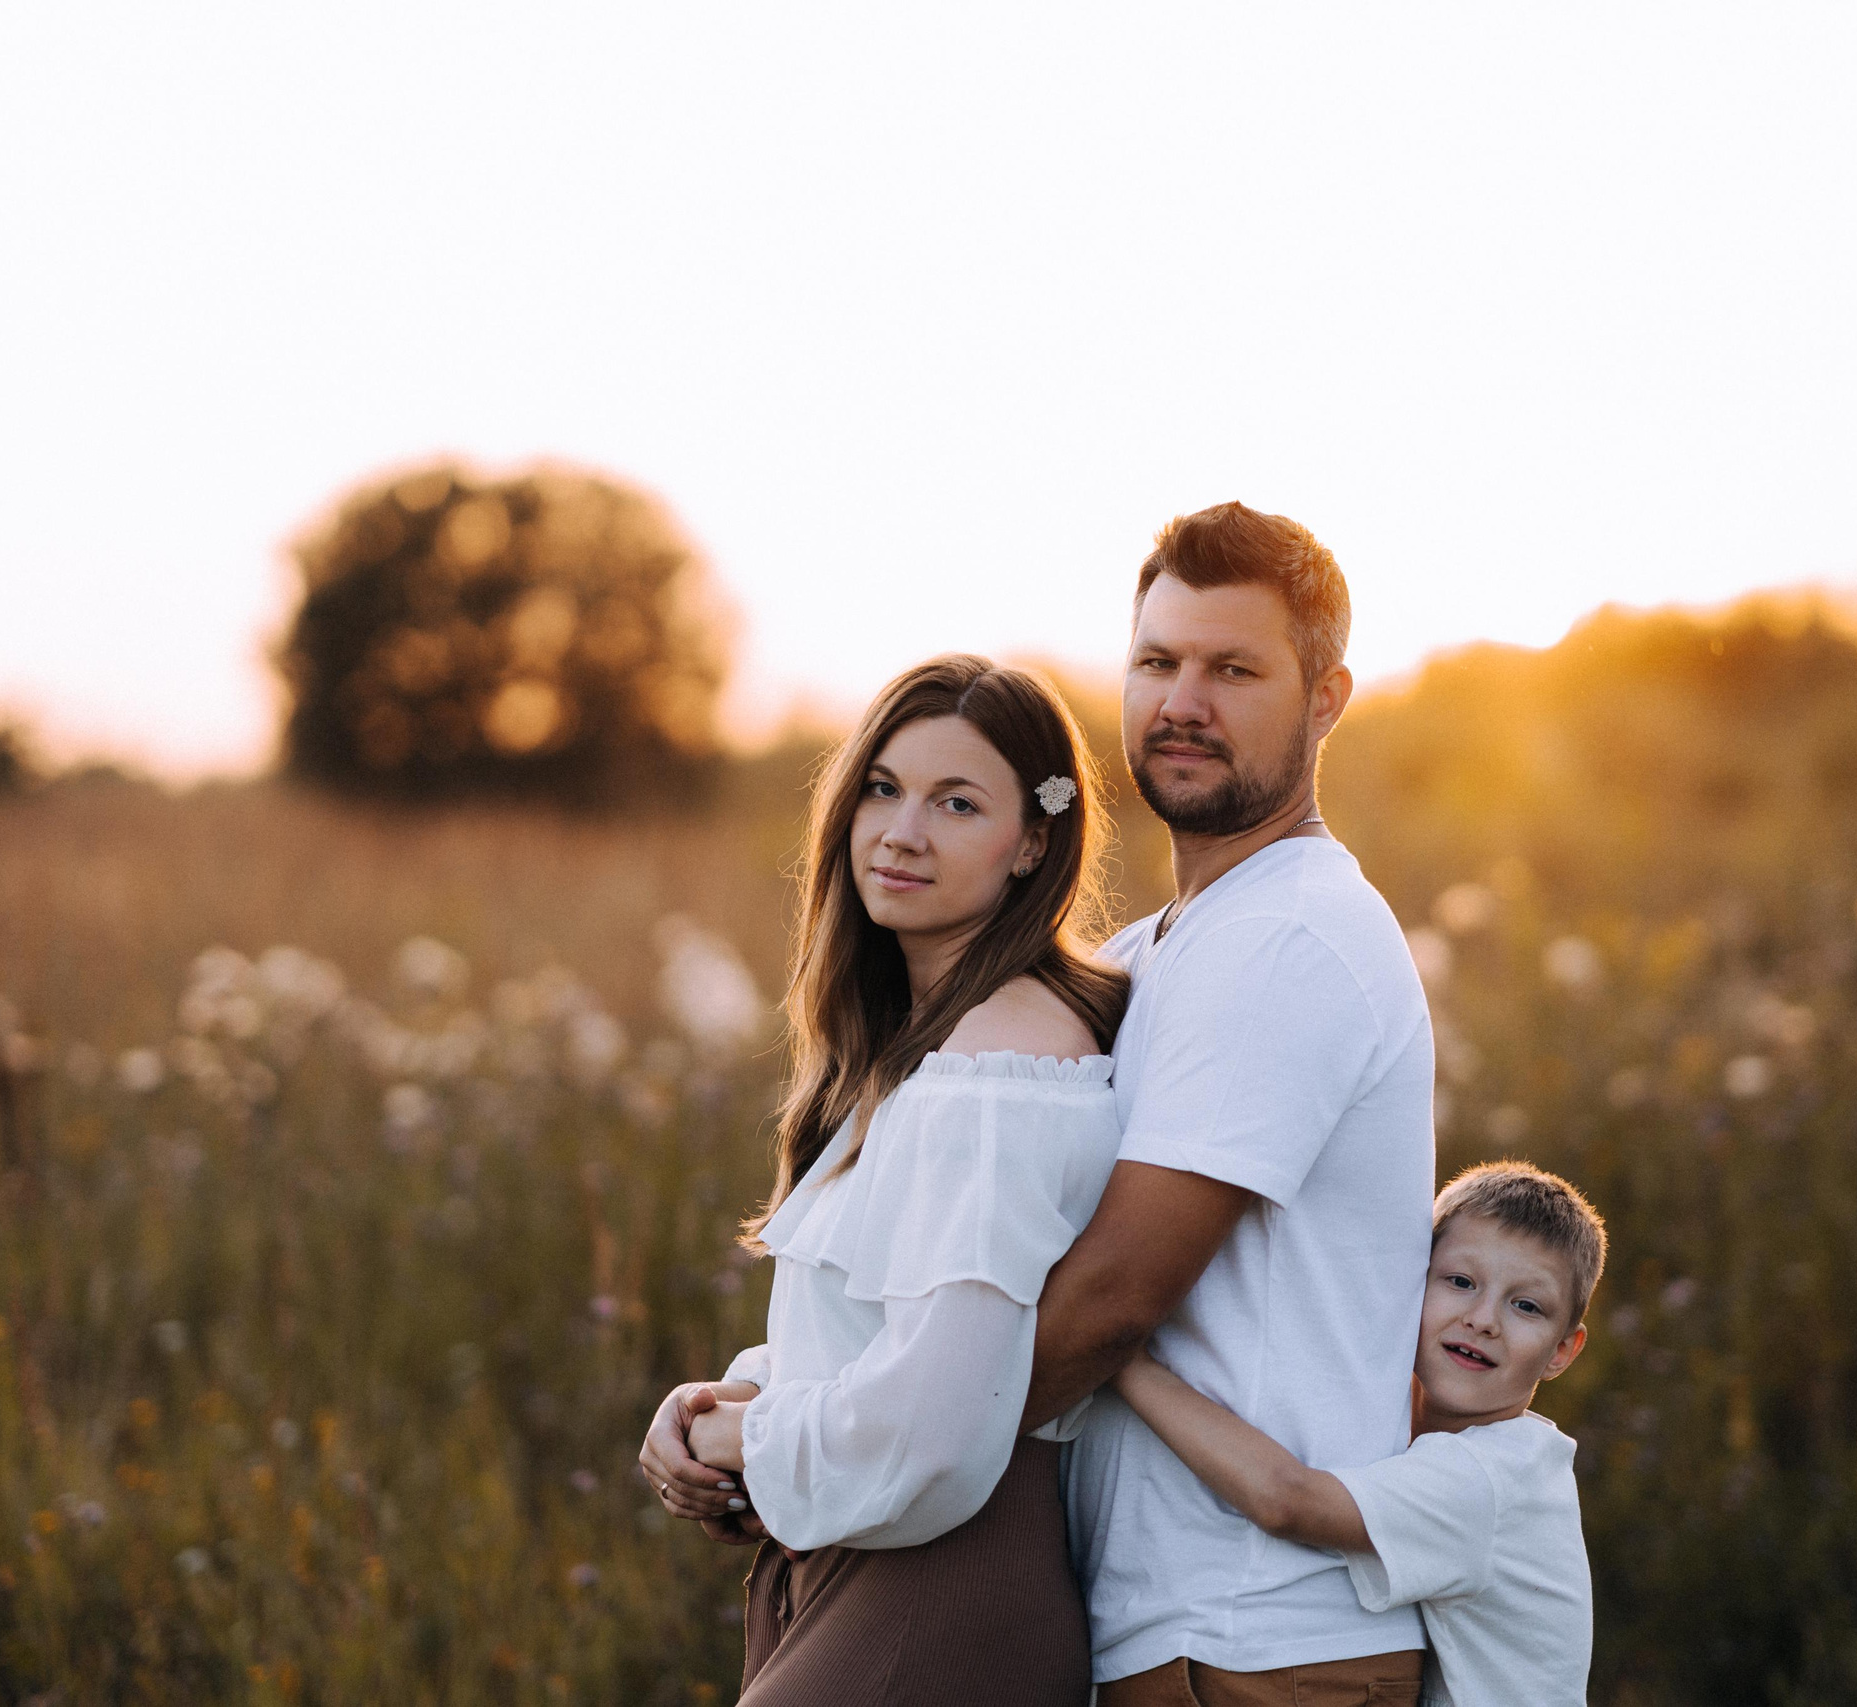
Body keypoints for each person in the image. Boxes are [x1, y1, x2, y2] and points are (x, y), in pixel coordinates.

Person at [637, 654, 1129, 1706]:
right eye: (882, 787)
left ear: (1033, 841)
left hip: (939, 1580)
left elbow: (938, 1426)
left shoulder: (998, 1073)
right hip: (865, 1564)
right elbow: (894, 1333)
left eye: (957, 803)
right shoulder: (923, 1048)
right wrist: (728, 1400)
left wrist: (743, 1439)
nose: (902, 831)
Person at [1022, 501, 1440, 1701]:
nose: (1180, 703)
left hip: (1260, 1643)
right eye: (1155, 661)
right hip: (1184, 1632)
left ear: (1326, 699)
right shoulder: (1160, 949)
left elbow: (1109, 1302)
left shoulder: (1288, 937)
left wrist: (835, 1463)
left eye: (1232, 669)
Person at [1111, 1162, 1605, 1707]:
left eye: (1526, 1306)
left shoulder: (1488, 1478)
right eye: (1461, 1282)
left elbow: (1287, 1501)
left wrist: (1122, 1360)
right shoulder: (1466, 1456)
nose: (1484, 1319)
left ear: (1562, 1350)